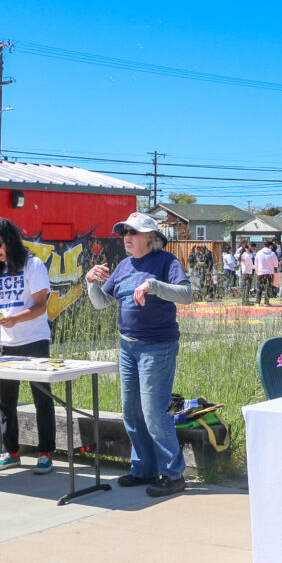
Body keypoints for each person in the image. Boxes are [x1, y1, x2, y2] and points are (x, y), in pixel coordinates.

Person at [85, 211, 192, 497]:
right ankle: (144, 468)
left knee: (154, 412)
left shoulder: (166, 262)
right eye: (124, 232)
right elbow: (101, 303)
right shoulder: (123, 266)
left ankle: (173, 474)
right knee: (131, 412)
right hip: (128, 347)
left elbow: (186, 294)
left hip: (157, 347)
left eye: (132, 232)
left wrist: (153, 286)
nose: (127, 237)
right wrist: (90, 281)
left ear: (150, 237)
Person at [0, 218, 56, 474]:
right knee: (6, 402)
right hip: (5, 343)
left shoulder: (34, 265)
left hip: (35, 341)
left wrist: (15, 319)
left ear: (10, 240)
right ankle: (10, 452)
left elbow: (40, 306)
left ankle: (45, 454)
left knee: (42, 400)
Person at [253, 239, 279, 306]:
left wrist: (257, 273)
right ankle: (266, 302)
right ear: (270, 246)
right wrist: (275, 273)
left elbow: (256, 264)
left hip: (261, 273)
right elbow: (276, 265)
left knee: (259, 288)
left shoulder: (259, 253)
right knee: (268, 288)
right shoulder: (272, 254)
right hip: (269, 273)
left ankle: (257, 302)